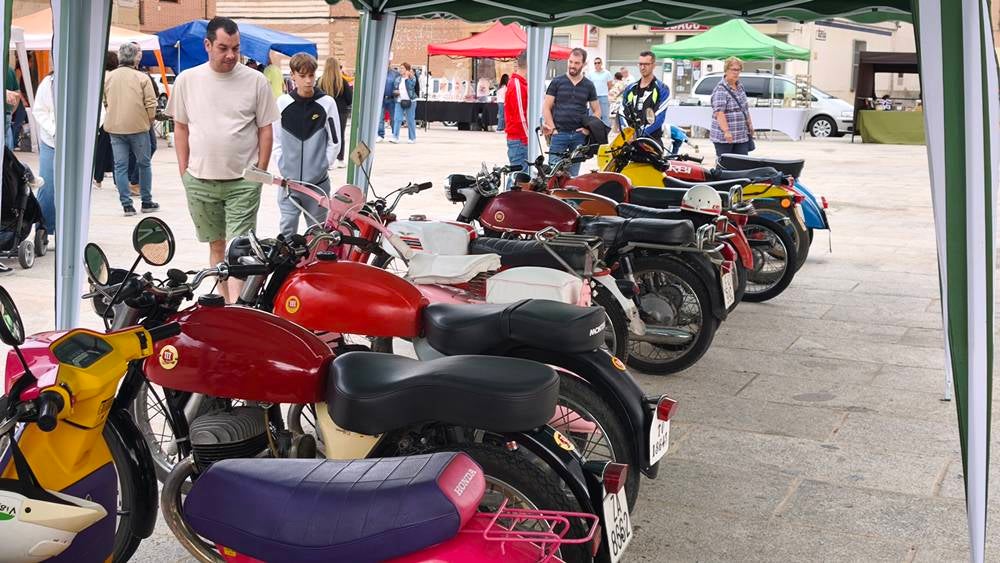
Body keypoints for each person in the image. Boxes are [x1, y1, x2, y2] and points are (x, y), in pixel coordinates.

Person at [166, 16, 279, 303]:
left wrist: (260, 172)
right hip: (199, 180)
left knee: (239, 249)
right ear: (207, 45)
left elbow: (266, 129)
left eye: (236, 48)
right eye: (223, 48)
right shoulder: (187, 80)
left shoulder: (256, 81)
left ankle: (236, 308)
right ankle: (225, 302)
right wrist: (184, 171)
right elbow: (180, 127)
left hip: (243, 181)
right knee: (216, 246)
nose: (231, 55)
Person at [272, 53, 341, 237]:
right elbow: (276, 139)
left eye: (311, 75)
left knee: (318, 234)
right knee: (287, 231)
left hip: (317, 185)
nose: (308, 81)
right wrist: (282, 166)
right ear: (292, 76)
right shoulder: (282, 103)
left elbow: (335, 141)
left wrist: (322, 165)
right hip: (289, 184)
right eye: (302, 76)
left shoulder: (327, 103)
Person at [104, 42, 159, 216]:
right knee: (144, 164)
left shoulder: (108, 77)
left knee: (120, 166)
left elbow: (105, 101)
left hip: (115, 128)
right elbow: (151, 103)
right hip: (138, 127)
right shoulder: (142, 78)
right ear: (135, 57)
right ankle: (146, 201)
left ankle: (126, 205)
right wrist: (149, 121)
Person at [542, 47, 599, 176]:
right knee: (554, 175)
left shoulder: (589, 85)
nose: (572, 65)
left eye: (577, 63)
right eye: (571, 62)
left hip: (578, 137)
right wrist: (553, 129)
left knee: (572, 177)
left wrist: (588, 129)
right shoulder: (557, 82)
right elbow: (546, 107)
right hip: (559, 135)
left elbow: (597, 111)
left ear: (583, 64)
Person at [620, 51, 670, 141]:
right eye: (640, 64)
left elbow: (659, 117)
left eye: (646, 64)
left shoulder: (662, 88)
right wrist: (629, 133)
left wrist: (638, 134)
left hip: (651, 139)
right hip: (630, 139)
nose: (642, 67)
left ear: (654, 65)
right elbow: (622, 112)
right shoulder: (629, 89)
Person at [710, 56, 755, 157]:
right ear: (726, 70)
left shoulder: (740, 86)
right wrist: (726, 131)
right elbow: (719, 113)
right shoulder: (721, 89)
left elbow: (745, 109)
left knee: (743, 162)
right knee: (726, 163)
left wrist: (750, 125)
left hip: (741, 135)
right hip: (725, 138)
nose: (736, 72)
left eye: (739, 70)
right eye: (734, 69)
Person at [32, 70, 56, 239]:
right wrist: (53, 130)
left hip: (78, 144)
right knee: (47, 186)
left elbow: (99, 111)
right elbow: (39, 110)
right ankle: (44, 229)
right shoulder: (48, 83)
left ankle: (69, 230)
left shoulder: (86, 79)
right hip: (51, 142)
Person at [318, 56, 352, 168]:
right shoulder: (342, 82)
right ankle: (340, 159)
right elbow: (349, 99)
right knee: (339, 135)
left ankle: (326, 159)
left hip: (324, 111)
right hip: (341, 111)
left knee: (325, 135)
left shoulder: (320, 81)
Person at [93, 51, 118, 190]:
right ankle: (117, 180)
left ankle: (98, 179)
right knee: (117, 149)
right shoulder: (115, 77)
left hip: (102, 118)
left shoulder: (99, 77)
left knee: (101, 149)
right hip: (115, 116)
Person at [504, 53, 529, 184]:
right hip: (519, 138)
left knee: (519, 177)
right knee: (517, 178)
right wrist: (527, 138)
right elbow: (520, 116)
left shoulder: (519, 83)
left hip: (519, 138)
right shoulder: (517, 84)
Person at [391, 62, 418, 144]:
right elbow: (394, 89)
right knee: (397, 119)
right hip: (399, 101)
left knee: (410, 120)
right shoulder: (397, 79)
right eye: (400, 68)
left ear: (407, 70)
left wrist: (407, 78)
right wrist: (396, 92)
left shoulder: (412, 78)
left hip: (411, 101)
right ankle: (395, 137)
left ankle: (412, 138)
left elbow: (411, 87)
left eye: (402, 68)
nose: (400, 70)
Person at [377, 63, 400, 142]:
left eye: (388, 63)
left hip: (392, 99)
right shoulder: (379, 72)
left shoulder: (395, 73)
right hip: (381, 99)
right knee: (380, 118)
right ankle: (380, 135)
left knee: (393, 118)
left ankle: (394, 135)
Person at [589, 58, 613, 127]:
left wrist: (603, 91)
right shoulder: (591, 74)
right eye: (595, 63)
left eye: (598, 62)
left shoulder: (607, 73)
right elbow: (589, 85)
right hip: (593, 97)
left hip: (603, 96)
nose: (597, 64)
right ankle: (591, 129)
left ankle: (605, 130)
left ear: (601, 63)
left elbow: (610, 85)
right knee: (592, 115)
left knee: (605, 115)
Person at [4, 65, 19, 151]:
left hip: (6, 112)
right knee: (7, 137)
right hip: (8, 112)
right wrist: (12, 111)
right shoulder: (10, 70)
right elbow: (17, 93)